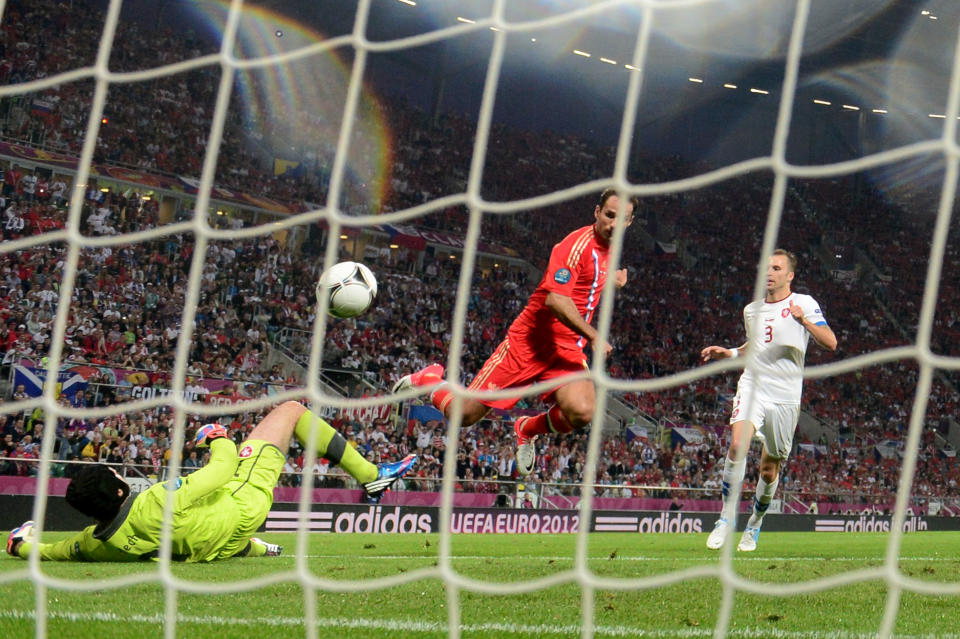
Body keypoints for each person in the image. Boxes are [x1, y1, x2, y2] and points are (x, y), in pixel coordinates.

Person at [394, 189, 637, 476]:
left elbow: (588, 281)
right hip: (529, 342)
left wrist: (614, 283)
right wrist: (595, 336)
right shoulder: (573, 246)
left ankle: (526, 428)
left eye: (621, 219)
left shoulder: (611, 249)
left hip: (565, 349)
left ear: (629, 223)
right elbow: (556, 300)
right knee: (464, 416)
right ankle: (430, 379)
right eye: (609, 215)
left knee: (583, 412)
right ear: (597, 212)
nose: (613, 224)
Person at [6, 401, 415, 562]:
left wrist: (21, 544)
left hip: (222, 542)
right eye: (115, 474)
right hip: (244, 499)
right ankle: (372, 477)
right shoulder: (154, 501)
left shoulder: (99, 543)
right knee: (291, 411)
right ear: (117, 490)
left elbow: (55, 551)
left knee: (199, 533)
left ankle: (256, 549)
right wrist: (216, 437)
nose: (119, 473)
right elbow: (222, 471)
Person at [700, 249, 837, 552]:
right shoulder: (752, 310)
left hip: (785, 396)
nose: (769, 272)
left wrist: (805, 323)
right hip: (754, 385)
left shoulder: (803, 304)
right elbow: (755, 347)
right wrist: (731, 353)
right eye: (766, 267)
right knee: (737, 445)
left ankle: (755, 524)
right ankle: (725, 518)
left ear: (789, 275)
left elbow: (831, 343)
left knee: (768, 470)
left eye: (776, 268)